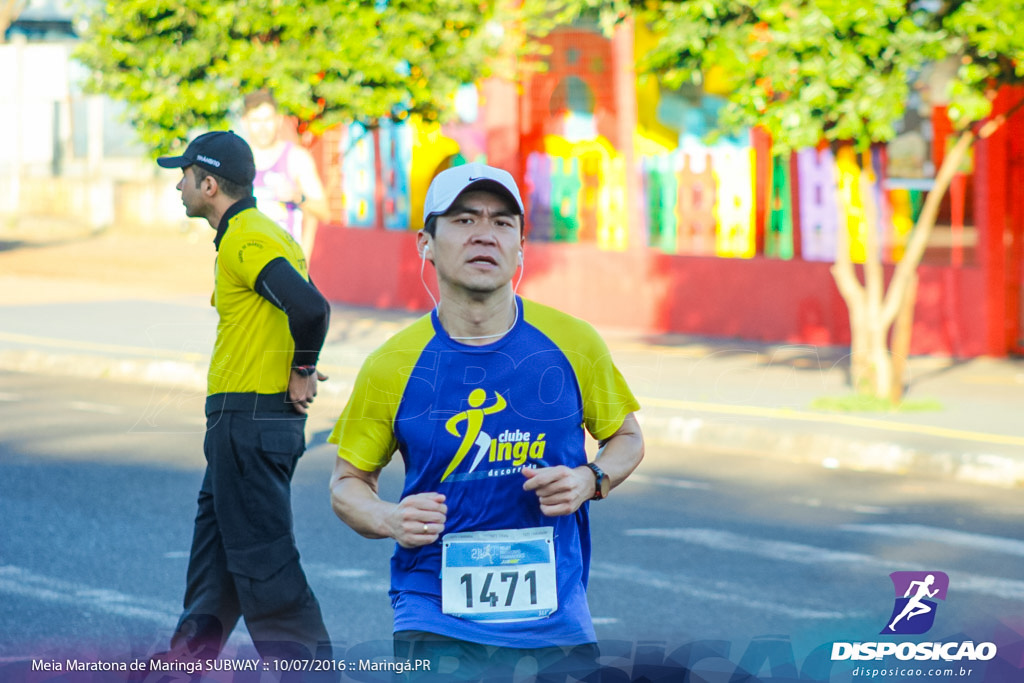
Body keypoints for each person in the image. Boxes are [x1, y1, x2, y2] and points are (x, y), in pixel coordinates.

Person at [327, 162, 644, 679]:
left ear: (522, 246)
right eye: (463, 219)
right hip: (434, 614)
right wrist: (389, 518)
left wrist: (591, 479)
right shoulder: (391, 366)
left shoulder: (575, 344)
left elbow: (627, 437)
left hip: (555, 620)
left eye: (502, 223)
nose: (484, 235)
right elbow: (347, 483)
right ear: (425, 243)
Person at [155, 130, 334, 672]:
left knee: (265, 568)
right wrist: (294, 358)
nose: (178, 186)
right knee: (217, 567)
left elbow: (310, 308)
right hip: (244, 423)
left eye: (184, 175)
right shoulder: (267, 233)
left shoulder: (245, 238)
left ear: (209, 185)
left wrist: (302, 369)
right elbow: (285, 316)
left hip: (249, 423)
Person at [241, 90, 330, 257]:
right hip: (245, 265)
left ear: (279, 120)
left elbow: (324, 212)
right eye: (256, 121)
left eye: (267, 120)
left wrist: (297, 196)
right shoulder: (236, 162)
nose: (262, 127)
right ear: (245, 122)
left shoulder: (296, 158)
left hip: (285, 265)